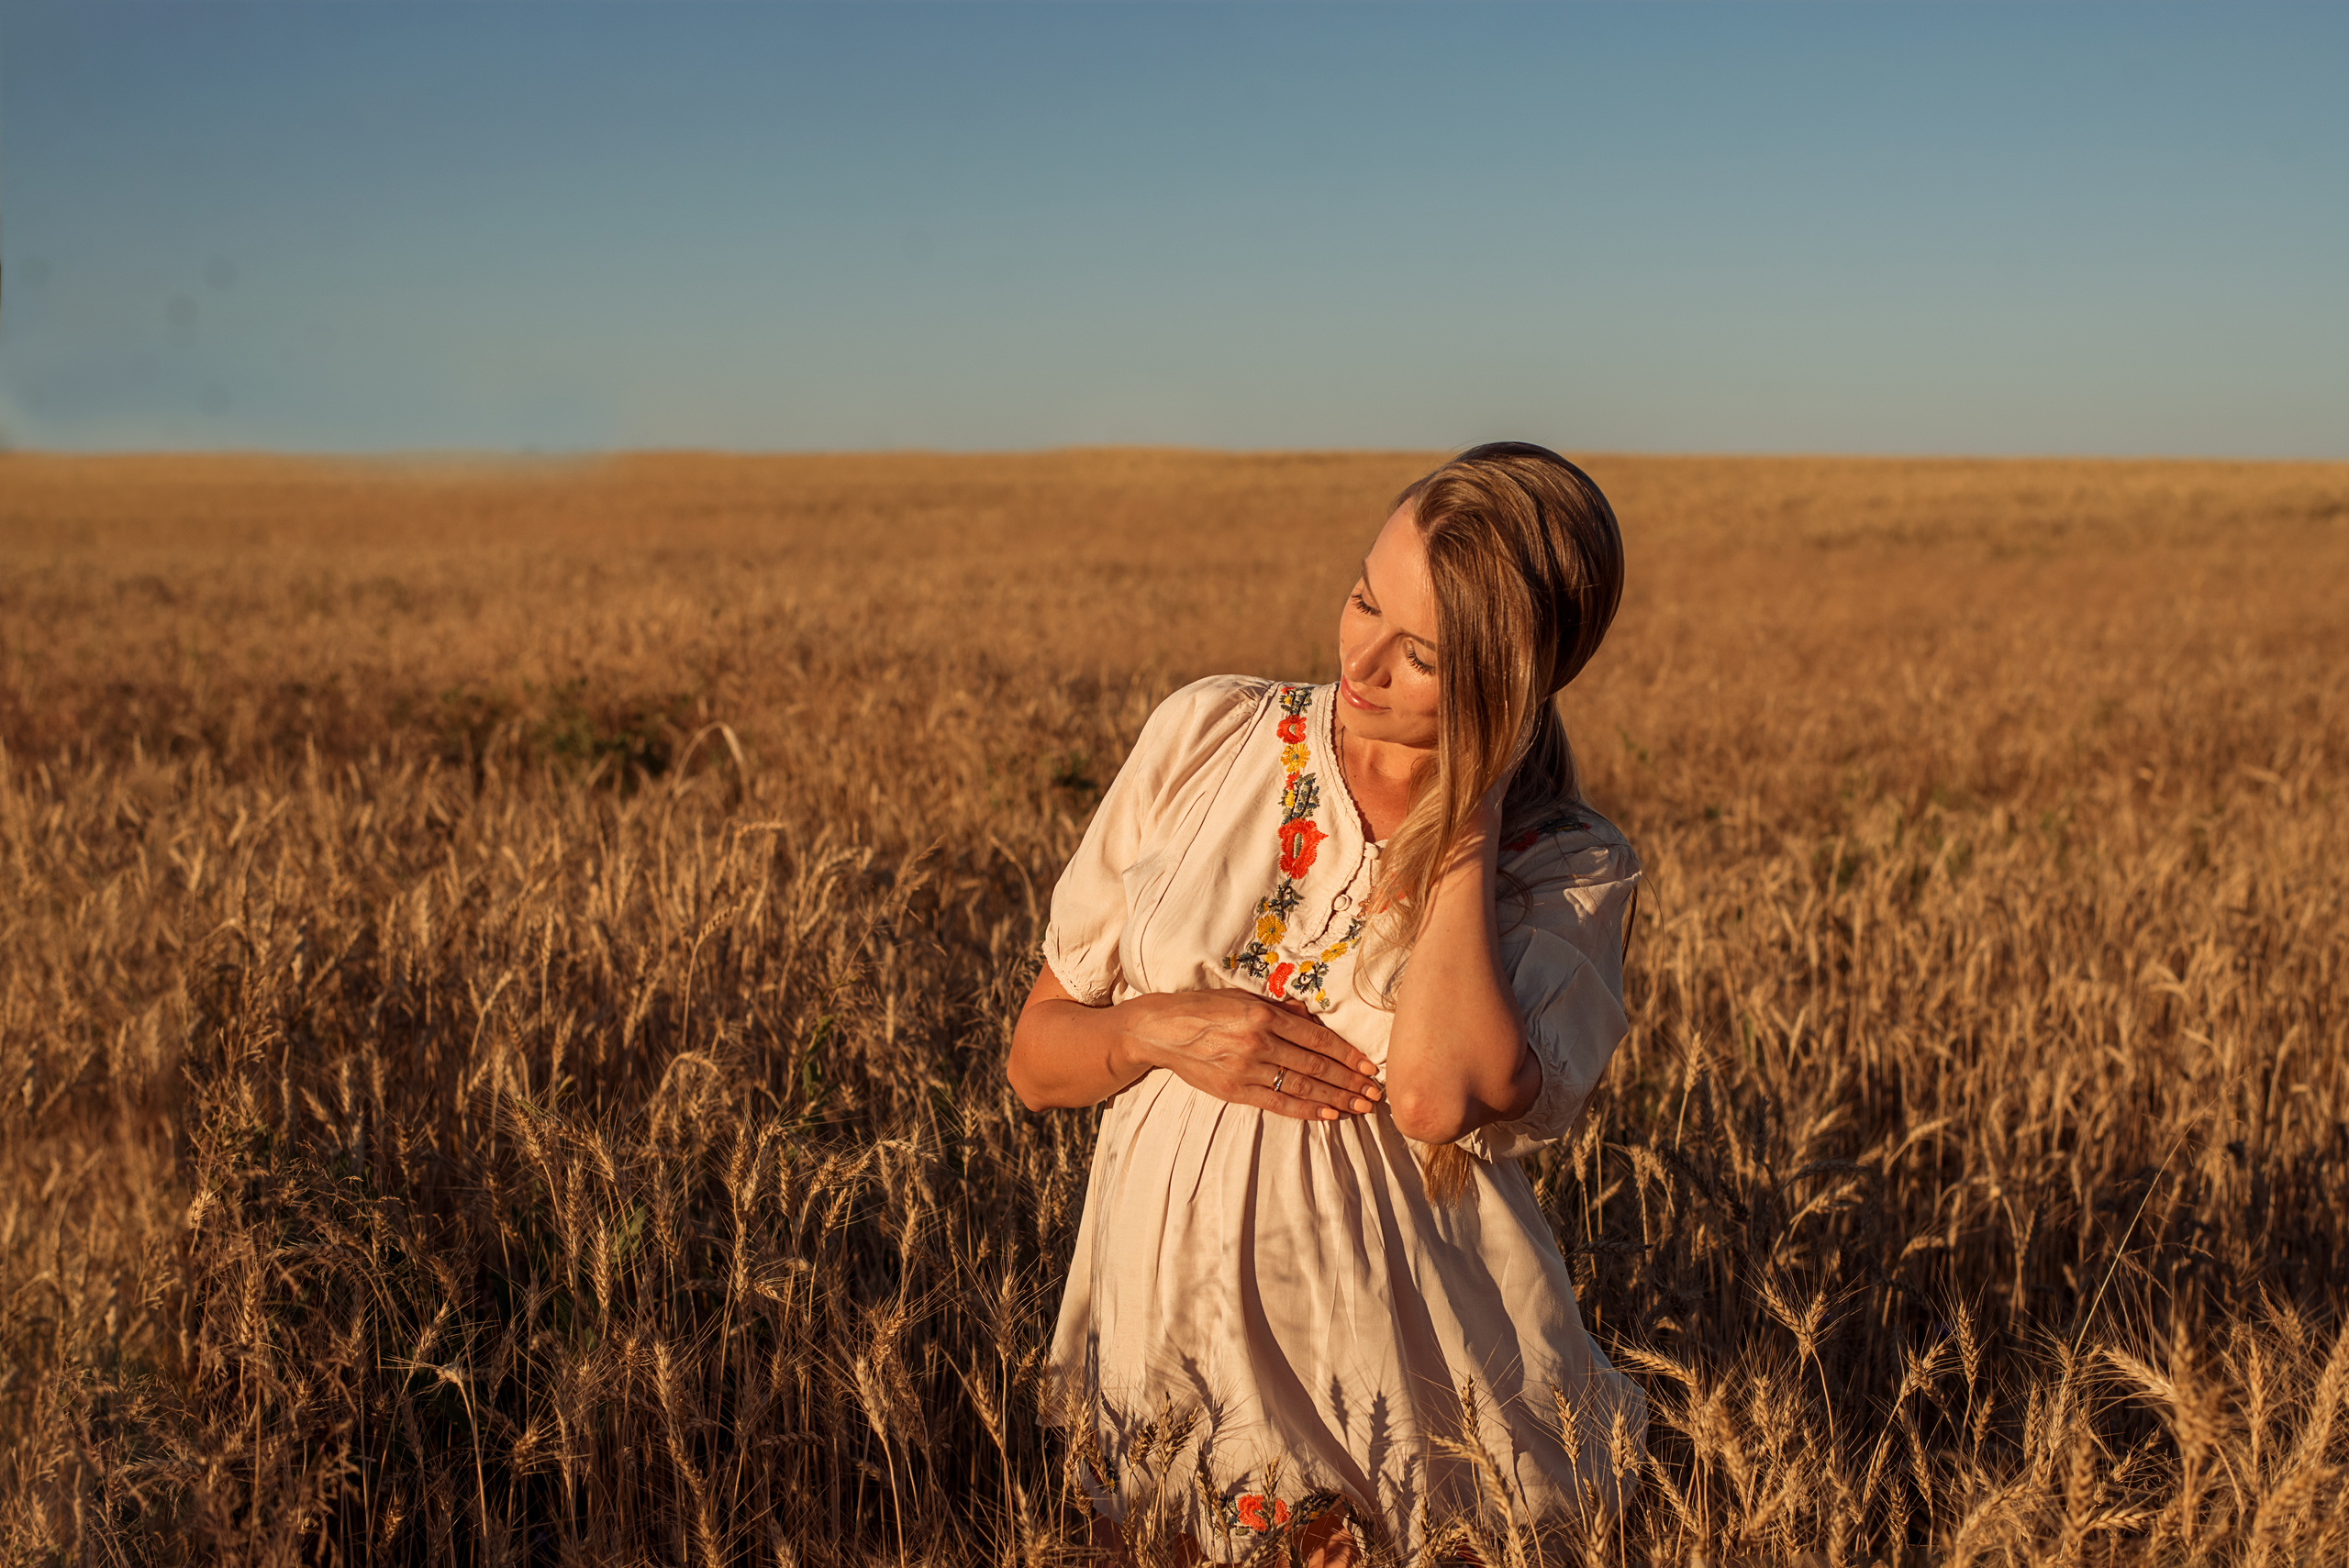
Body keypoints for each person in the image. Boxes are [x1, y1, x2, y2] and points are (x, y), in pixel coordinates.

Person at [1007, 443, 1646, 1564]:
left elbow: (1435, 1095)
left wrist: (1470, 800)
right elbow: (1035, 1058)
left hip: (1389, 1369)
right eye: (1362, 598)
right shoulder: (1208, 736)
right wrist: (1154, 1029)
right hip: (1165, 1329)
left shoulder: (1561, 865)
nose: (1361, 661)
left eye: (1424, 655)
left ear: (1507, 684)